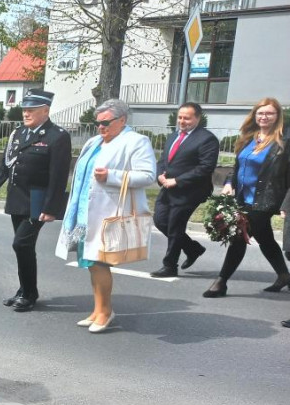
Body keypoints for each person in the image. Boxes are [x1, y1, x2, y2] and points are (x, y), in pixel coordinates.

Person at [55, 99, 156, 332]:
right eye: (98, 123)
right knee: (91, 264)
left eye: (106, 122)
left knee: (99, 263)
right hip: (84, 213)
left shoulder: (136, 142)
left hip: (108, 212)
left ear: (122, 120)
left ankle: (106, 312)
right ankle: (98, 309)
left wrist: (112, 175)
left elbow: (149, 175)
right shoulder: (94, 142)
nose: (101, 127)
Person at [0, 89, 71, 312]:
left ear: (45, 111)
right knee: (24, 248)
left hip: (38, 201)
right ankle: (25, 290)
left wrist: (51, 208)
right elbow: (6, 165)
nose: (26, 113)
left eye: (31, 110)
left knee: (21, 243)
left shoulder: (57, 136)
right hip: (17, 198)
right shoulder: (19, 134)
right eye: (25, 109)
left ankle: (29, 293)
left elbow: (58, 177)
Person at [203, 97, 290, 298]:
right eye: (260, 113)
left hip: (266, 200)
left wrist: (287, 203)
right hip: (243, 198)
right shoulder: (249, 138)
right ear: (255, 115)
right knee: (265, 238)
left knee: (239, 236)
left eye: (269, 113)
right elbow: (238, 167)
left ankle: (221, 282)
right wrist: (227, 183)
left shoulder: (284, 142)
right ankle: (284, 275)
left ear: (278, 117)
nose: (264, 116)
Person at [150, 102, 219, 277]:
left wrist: (178, 181)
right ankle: (192, 248)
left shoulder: (207, 139)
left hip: (190, 191)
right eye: (180, 117)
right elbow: (163, 161)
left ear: (197, 118)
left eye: (187, 118)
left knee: (175, 226)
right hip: (167, 188)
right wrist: (160, 176)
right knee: (160, 220)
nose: (182, 121)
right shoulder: (173, 136)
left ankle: (170, 265)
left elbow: (205, 167)